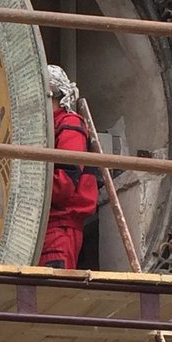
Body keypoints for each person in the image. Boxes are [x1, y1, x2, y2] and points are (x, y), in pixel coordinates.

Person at [39, 65, 98, 269]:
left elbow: (63, 184)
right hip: (43, 227)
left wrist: (26, 192)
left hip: (58, 228)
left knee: (49, 292)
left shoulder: (69, 123)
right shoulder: (47, 130)